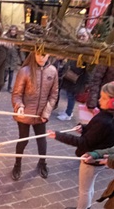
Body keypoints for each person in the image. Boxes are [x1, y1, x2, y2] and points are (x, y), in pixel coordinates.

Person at [48, 81, 114, 209]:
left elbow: (83, 143)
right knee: (88, 187)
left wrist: (58, 135)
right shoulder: (107, 116)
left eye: (104, 98)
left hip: (91, 159)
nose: (99, 100)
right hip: (98, 158)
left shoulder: (104, 121)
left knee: (84, 190)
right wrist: (84, 128)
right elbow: (96, 133)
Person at [11, 52, 58, 180]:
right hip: (25, 114)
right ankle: (17, 164)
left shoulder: (53, 71)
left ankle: (42, 163)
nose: (41, 57)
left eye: (44, 54)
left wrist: (46, 113)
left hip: (41, 115)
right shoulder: (25, 71)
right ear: (34, 53)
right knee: (23, 140)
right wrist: (19, 106)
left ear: (49, 55)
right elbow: (17, 94)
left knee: (42, 140)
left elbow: (53, 95)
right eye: (38, 54)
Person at [3, 25, 22, 93]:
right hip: (7, 57)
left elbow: (20, 50)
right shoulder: (6, 38)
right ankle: (3, 81)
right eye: (12, 30)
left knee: (11, 73)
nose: (13, 31)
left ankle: (9, 87)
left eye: (14, 30)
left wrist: (22, 59)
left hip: (14, 58)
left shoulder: (18, 39)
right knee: (5, 72)